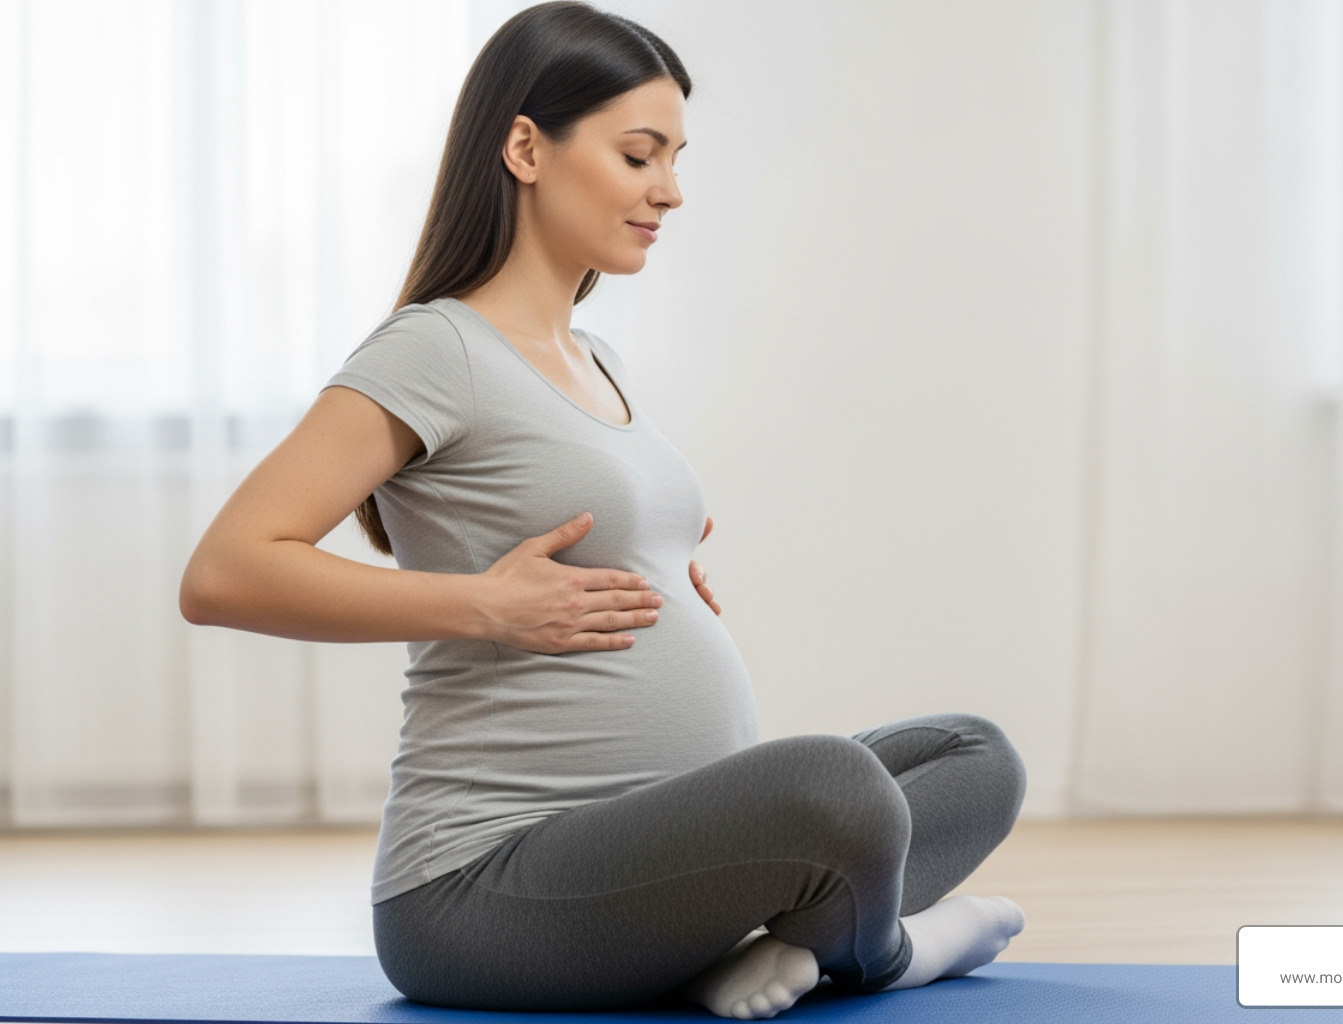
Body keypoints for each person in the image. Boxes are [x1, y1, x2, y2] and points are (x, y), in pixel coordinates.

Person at [178, 2, 1026, 1018]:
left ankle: (756, 943)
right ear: (527, 147)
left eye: (674, 157)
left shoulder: (597, 359)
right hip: (485, 891)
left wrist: (671, 579)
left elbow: (594, 552)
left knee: (973, 757)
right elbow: (225, 570)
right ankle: (888, 951)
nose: (668, 190)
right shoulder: (436, 349)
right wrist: (486, 606)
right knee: (834, 791)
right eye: (638, 155)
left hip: (650, 853)